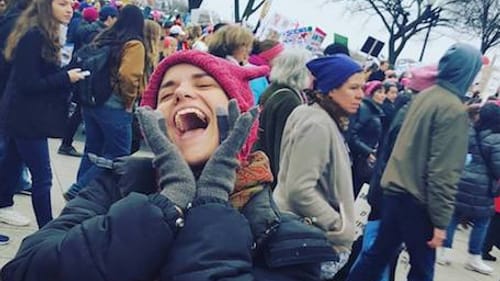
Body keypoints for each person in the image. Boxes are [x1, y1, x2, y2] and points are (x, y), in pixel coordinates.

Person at [1, 50, 337, 281]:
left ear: (242, 117)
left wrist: (211, 202)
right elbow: (24, 270)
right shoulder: (112, 186)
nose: (181, 94)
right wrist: (166, 205)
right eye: (166, 92)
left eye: (204, 85)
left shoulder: (289, 241)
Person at [347, 43, 483, 281]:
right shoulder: (452, 109)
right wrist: (441, 222)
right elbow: (444, 171)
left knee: (377, 256)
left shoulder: (425, 96)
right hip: (419, 201)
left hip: (395, 192)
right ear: (467, 72)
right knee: (420, 269)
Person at [273, 54, 363, 279]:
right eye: (353, 88)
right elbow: (299, 189)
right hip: (310, 239)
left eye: (361, 87)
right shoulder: (318, 124)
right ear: (331, 89)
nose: (361, 94)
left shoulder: (312, 114)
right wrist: (339, 226)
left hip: (302, 234)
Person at [0, 0, 87, 228]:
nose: (70, 9)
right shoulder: (34, 34)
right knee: (43, 176)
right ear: (46, 6)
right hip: (25, 118)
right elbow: (28, 82)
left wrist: (68, 72)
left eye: (71, 4)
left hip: (20, 114)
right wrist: (65, 78)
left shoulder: (41, 32)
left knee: (11, 165)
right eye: (62, 3)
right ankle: (47, 231)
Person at [353, 65, 438, 281]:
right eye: (381, 91)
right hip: (391, 192)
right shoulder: (409, 114)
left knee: (377, 252)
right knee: (374, 252)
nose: (384, 95)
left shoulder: (405, 112)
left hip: (389, 190)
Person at [65, 5, 145, 200]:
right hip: (115, 104)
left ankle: (80, 191)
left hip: (92, 102)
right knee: (118, 154)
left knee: (91, 150)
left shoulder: (106, 37)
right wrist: (128, 100)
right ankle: (78, 190)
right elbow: (128, 75)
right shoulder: (134, 44)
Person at [438, 102, 500, 275]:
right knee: (482, 221)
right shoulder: (496, 138)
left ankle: (444, 252)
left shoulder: (470, 130)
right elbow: (498, 167)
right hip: (483, 186)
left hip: (462, 179)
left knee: (454, 216)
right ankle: (474, 257)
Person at [57, 4, 119, 157]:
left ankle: (66, 142)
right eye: (115, 17)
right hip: (86, 76)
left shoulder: (87, 29)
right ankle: (66, 143)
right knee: (79, 112)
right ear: (110, 18)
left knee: (78, 110)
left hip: (78, 70)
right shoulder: (98, 34)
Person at [252, 48, 311, 189]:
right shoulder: (289, 99)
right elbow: (282, 142)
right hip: (269, 167)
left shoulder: (274, 89)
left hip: (260, 157)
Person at [207, 24, 269, 103]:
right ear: (239, 47)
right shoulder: (239, 72)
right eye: (246, 45)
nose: (248, 50)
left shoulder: (208, 64)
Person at [348, 80, 386, 196]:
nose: (382, 95)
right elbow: (352, 134)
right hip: (359, 158)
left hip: (364, 157)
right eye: (379, 92)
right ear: (371, 93)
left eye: (383, 92)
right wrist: (367, 151)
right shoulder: (365, 109)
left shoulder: (375, 110)